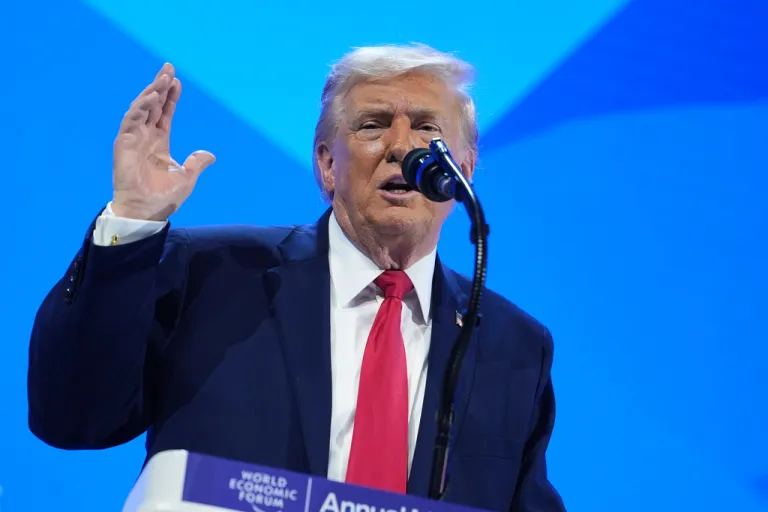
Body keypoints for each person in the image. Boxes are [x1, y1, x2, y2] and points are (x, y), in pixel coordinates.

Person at [27, 44, 565, 511]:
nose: (403, 147)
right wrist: (134, 219)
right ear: (327, 165)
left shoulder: (512, 344)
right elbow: (74, 418)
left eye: (427, 127)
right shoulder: (211, 274)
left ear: (463, 170)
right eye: (373, 125)